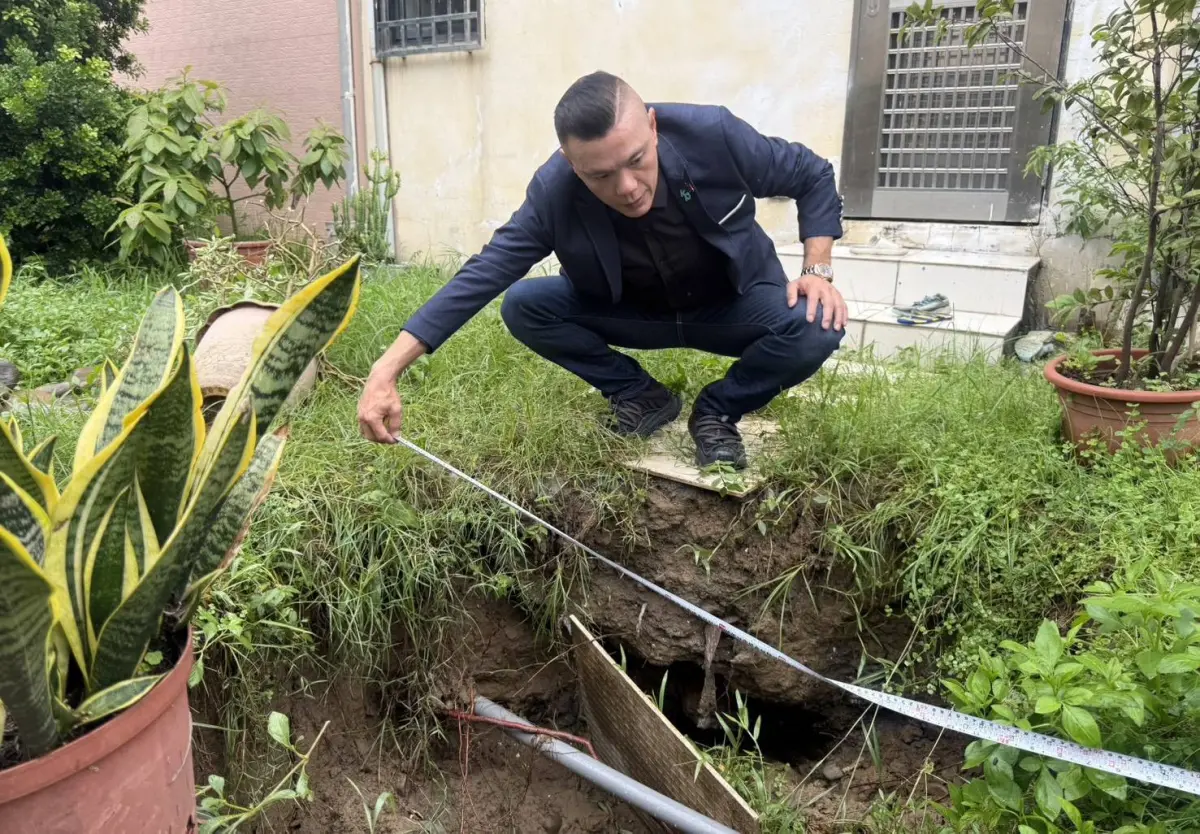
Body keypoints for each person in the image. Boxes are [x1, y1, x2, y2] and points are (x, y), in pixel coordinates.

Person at [358, 70, 848, 469]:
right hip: (634, 313)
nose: (629, 186)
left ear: (653, 127)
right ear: (573, 165)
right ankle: (641, 394)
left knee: (816, 322)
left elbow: (812, 174)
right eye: (600, 176)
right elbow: (486, 271)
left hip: (733, 304)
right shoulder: (554, 192)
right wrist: (387, 367)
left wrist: (817, 269)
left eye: (637, 160)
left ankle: (718, 410)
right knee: (526, 305)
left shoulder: (713, 136)